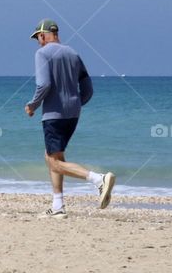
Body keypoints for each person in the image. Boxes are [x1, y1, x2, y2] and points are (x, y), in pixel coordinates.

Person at [24, 18, 115, 217]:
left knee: (53, 162)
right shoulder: (73, 53)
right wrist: (76, 103)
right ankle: (58, 207)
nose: (38, 42)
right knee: (53, 156)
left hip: (53, 114)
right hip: (73, 114)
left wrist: (33, 105)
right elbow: (88, 87)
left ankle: (98, 179)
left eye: (38, 38)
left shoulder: (42, 53)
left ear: (43, 35)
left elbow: (44, 85)